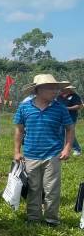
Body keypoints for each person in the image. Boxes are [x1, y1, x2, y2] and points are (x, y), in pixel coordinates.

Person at [14, 75, 74, 226]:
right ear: (38, 90)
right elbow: (19, 131)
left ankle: (51, 219)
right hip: (30, 154)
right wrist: (17, 151)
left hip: (53, 155)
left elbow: (70, 129)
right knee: (33, 188)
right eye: (50, 88)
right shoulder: (24, 108)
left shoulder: (60, 108)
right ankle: (33, 218)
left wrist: (67, 147)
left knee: (52, 189)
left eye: (56, 88)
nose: (55, 91)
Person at [58, 85, 82, 156]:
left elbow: (79, 106)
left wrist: (67, 108)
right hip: (60, 117)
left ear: (68, 89)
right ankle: (62, 149)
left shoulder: (74, 96)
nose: (62, 89)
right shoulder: (59, 96)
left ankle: (77, 149)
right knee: (61, 133)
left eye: (63, 88)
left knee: (70, 133)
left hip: (71, 117)